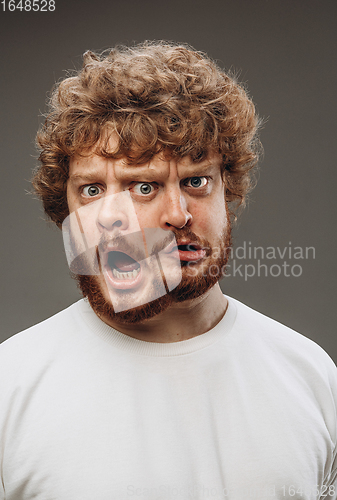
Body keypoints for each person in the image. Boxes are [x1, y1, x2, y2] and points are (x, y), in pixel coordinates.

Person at [0, 42, 336, 500]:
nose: (177, 214)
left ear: (227, 190)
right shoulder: (11, 385)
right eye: (144, 187)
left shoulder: (312, 376)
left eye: (196, 181)